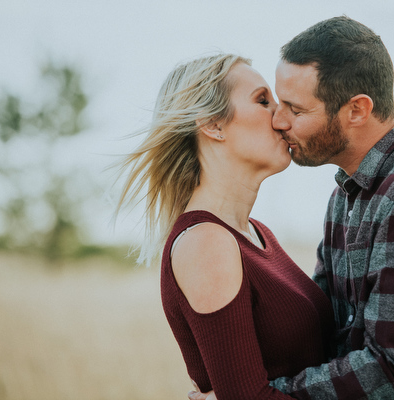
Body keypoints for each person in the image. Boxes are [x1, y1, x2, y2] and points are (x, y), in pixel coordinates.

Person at [192, 16, 394, 400]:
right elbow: (326, 333)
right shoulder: (349, 192)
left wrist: (257, 395)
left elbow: (391, 376)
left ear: (356, 110)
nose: (278, 120)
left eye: (295, 109)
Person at [116, 54, 335, 399]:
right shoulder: (207, 242)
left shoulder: (257, 234)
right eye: (263, 101)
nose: (281, 117)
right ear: (213, 125)